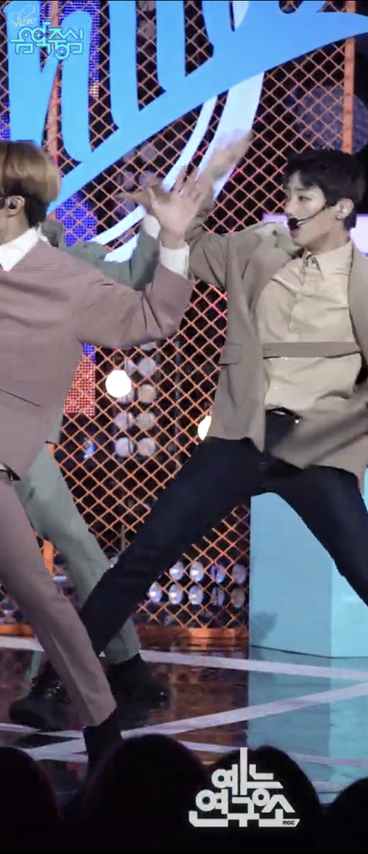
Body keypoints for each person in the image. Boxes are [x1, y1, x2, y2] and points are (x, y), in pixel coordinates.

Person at [15, 139, 368, 740]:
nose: (290, 209)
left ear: (341, 208)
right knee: (143, 557)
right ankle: (56, 686)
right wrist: (196, 196)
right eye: (287, 196)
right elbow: (185, 248)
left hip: (317, 446)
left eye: (304, 199)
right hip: (243, 435)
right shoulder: (256, 251)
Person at [0, 138, 210, 763]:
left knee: (42, 597)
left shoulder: (67, 279)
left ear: (13, 203)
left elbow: (153, 317)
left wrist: (172, 240)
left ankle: (103, 729)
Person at [10, 216, 166, 731]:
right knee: (52, 564)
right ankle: (122, 666)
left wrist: (156, 225)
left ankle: (96, 675)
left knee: (72, 548)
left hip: (21, 438)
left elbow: (136, 280)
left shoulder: (69, 259)